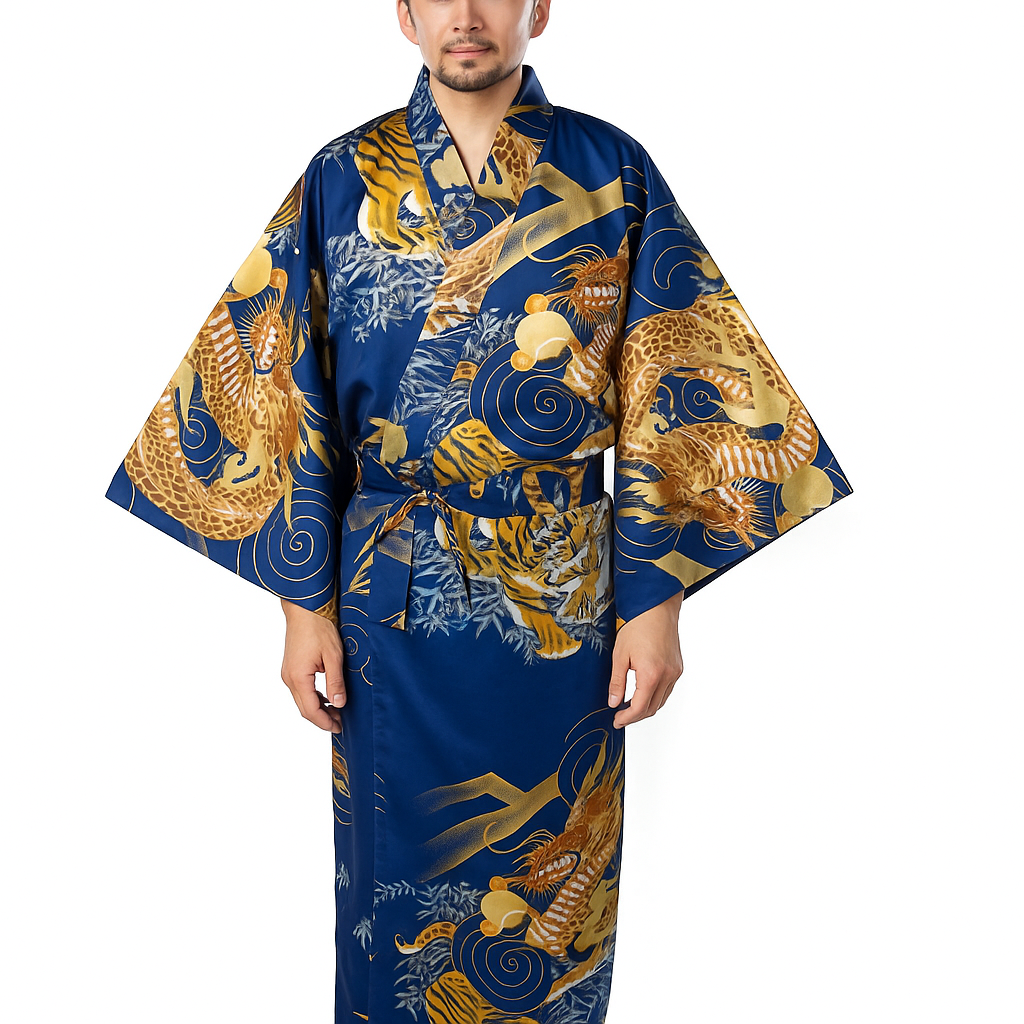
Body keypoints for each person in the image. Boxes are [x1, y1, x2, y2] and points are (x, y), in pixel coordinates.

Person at [104, 1, 852, 1020]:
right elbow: (285, 394)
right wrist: (301, 606)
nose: (467, 16)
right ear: (403, 14)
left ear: (538, 8)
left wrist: (656, 604)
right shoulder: (340, 177)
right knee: (389, 893)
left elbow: (667, 382)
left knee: (560, 872)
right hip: (391, 596)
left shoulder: (610, 169)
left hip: (561, 596)